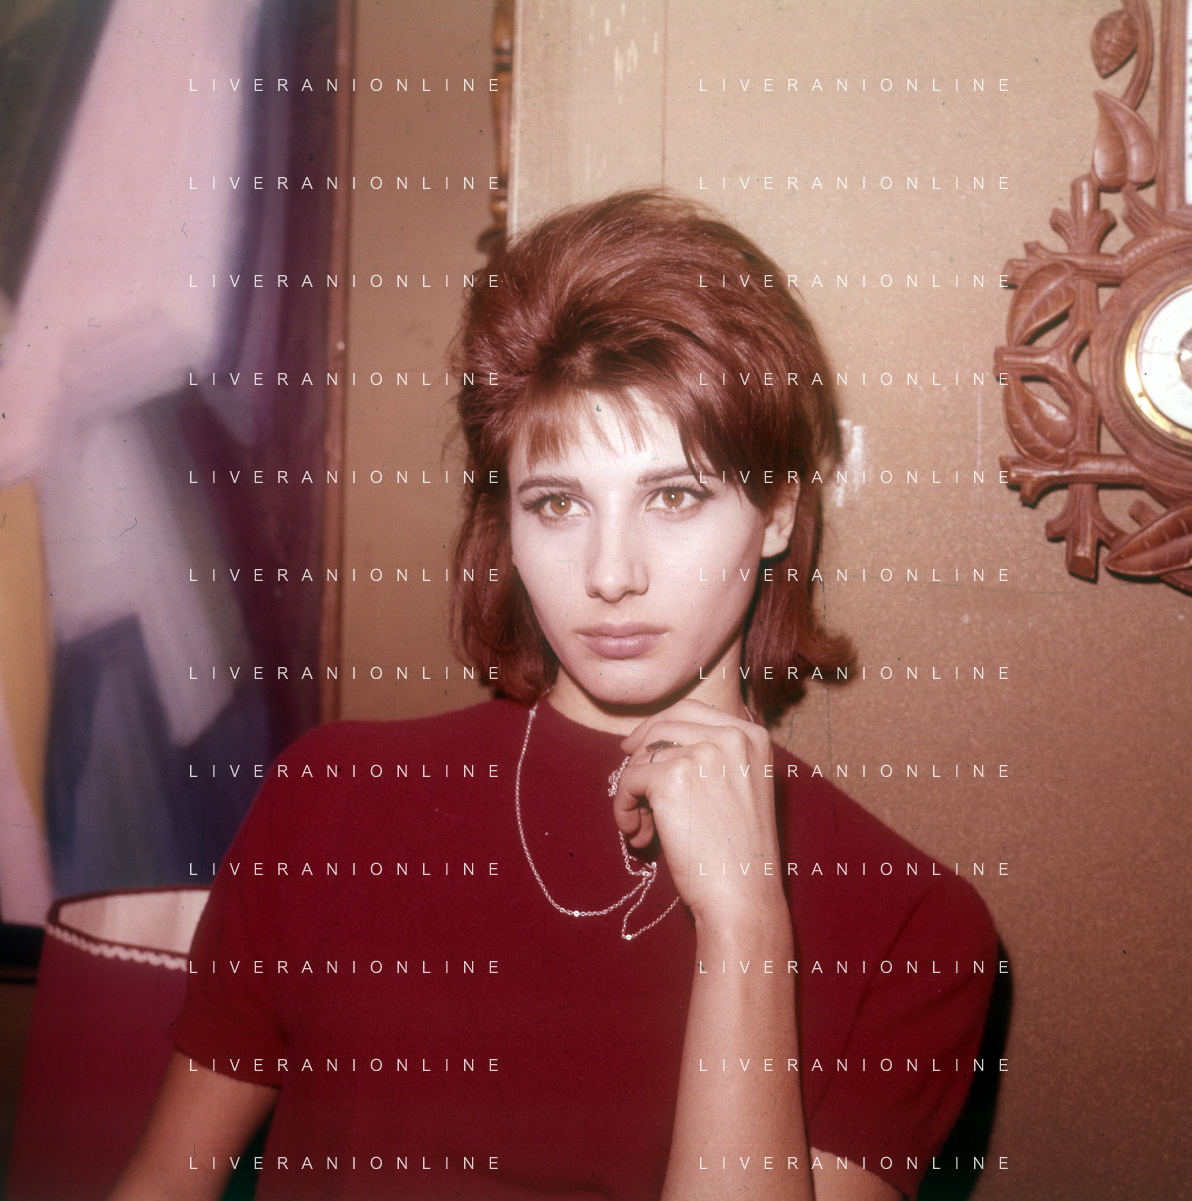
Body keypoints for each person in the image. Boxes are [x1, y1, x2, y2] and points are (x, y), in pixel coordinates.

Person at [109, 191, 998, 1201]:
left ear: (780, 512)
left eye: (675, 495)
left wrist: (748, 922)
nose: (610, 574)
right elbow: (162, 1185)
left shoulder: (910, 928)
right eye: (559, 502)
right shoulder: (334, 798)